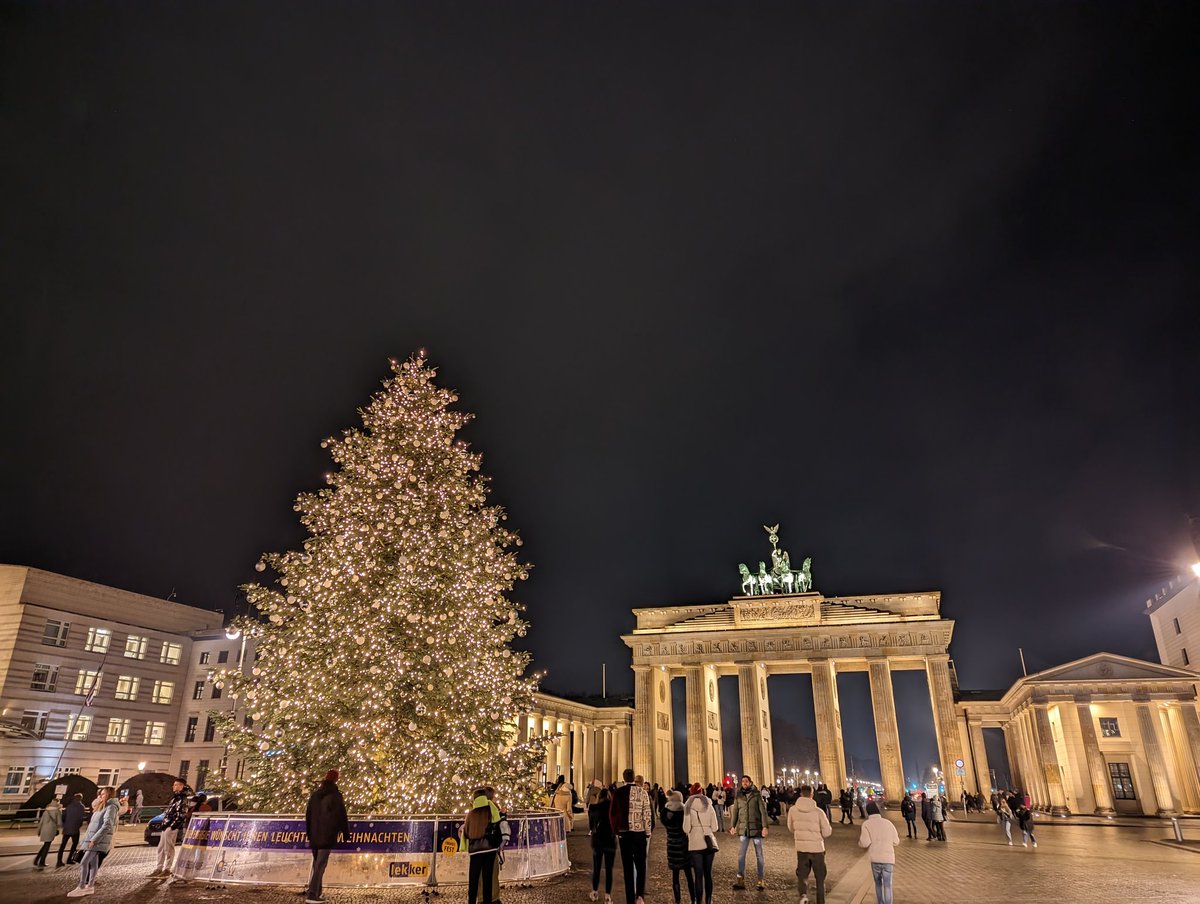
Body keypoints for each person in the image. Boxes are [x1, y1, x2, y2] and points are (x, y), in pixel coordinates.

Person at [305, 769, 350, 904]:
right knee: (320, 865)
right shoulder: (335, 796)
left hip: (314, 834)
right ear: (336, 779)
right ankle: (312, 894)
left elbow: (308, 815)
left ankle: (317, 891)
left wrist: (309, 832)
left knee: (316, 863)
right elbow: (341, 816)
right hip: (327, 834)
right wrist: (345, 833)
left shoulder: (315, 795)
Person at [610, 768, 652, 904]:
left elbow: (612, 814)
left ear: (624, 778)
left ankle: (629, 899)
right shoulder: (643, 792)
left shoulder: (618, 792)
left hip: (624, 834)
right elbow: (647, 814)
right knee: (640, 865)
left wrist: (616, 830)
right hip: (639, 833)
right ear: (634, 778)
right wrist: (648, 832)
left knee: (627, 867)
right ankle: (640, 896)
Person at [68, 785, 119, 897]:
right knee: (93, 863)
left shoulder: (111, 807)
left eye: (103, 793)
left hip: (97, 840)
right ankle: (90, 886)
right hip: (93, 839)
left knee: (84, 862)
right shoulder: (102, 805)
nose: (101, 795)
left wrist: (94, 839)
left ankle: (81, 887)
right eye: (100, 793)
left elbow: (107, 825)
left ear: (109, 795)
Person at [787, 784, 831, 904]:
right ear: (812, 794)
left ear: (801, 794)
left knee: (802, 875)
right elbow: (827, 831)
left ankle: (803, 896)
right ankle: (820, 901)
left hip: (801, 848)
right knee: (820, 878)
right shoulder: (819, 812)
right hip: (817, 849)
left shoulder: (793, 810)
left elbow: (791, 827)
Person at [462, 789, 503, 904]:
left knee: (473, 879)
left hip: (475, 851)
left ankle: (472, 901)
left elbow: (466, 832)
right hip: (489, 848)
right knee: (487, 878)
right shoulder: (490, 810)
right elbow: (497, 822)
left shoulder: (471, 813)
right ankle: (487, 901)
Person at [728, 774, 768, 890]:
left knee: (759, 855)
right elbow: (735, 811)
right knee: (741, 855)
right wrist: (732, 826)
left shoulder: (756, 795)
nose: (744, 783)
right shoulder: (738, 796)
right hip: (744, 829)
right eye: (743, 781)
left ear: (750, 782)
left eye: (746, 781)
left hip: (756, 828)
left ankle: (760, 880)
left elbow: (762, 811)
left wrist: (765, 827)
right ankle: (740, 880)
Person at [682, 784, 719, 904]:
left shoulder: (688, 806)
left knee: (698, 875)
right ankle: (708, 901)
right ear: (702, 792)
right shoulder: (709, 805)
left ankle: (699, 902)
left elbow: (686, 828)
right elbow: (715, 827)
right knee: (708, 874)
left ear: (691, 792)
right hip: (708, 843)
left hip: (695, 844)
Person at [858, 802, 899, 904]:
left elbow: (865, 842)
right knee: (888, 885)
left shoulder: (866, 824)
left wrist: (859, 843)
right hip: (888, 859)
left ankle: (880, 902)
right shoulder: (888, 823)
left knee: (878, 884)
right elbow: (896, 841)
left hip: (875, 858)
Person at [149, 780, 191, 878]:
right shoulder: (176, 798)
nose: (173, 786)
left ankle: (167, 869)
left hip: (170, 826)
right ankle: (159, 868)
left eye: (176, 785)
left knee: (168, 848)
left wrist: (172, 826)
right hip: (167, 825)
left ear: (181, 786)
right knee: (161, 848)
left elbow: (181, 814)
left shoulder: (182, 799)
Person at [660, 789, 695, 904]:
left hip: (672, 846)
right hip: (684, 846)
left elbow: (663, 820)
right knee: (689, 874)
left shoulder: (665, 812)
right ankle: (693, 899)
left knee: (675, 876)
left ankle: (677, 900)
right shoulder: (684, 811)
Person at [588, 785, 616, 904]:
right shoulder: (613, 808)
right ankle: (608, 896)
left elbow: (591, 826)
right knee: (609, 870)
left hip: (597, 841)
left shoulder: (593, 808)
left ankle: (594, 892)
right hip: (610, 841)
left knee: (597, 868)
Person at [57, 794, 86, 868]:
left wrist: (64, 824)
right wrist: (78, 826)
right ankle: (69, 859)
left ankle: (59, 860)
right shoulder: (81, 807)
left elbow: (63, 816)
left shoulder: (69, 806)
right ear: (81, 799)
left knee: (63, 845)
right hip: (75, 829)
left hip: (67, 828)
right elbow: (81, 818)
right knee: (74, 844)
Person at [34, 796, 62, 869]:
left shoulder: (46, 811)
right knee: (47, 846)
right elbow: (59, 823)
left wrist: (38, 831)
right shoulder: (57, 811)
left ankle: (36, 860)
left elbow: (41, 822)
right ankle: (41, 862)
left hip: (44, 830)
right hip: (51, 830)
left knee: (45, 845)